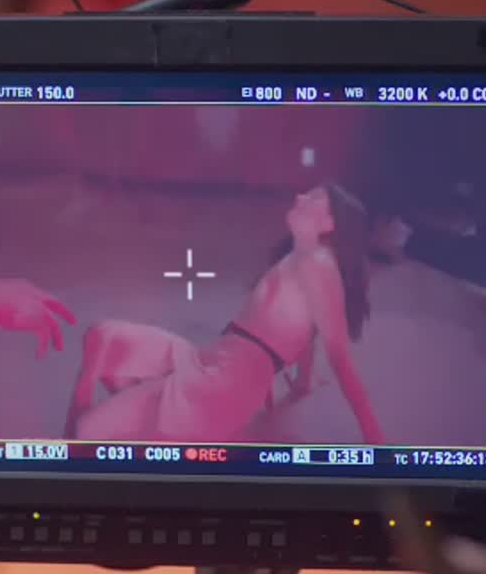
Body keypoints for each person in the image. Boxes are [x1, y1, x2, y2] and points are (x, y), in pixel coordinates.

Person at [64, 182, 385, 444]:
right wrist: (302, 382)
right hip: (209, 358)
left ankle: (125, 421)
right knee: (101, 335)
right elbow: (310, 328)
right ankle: (130, 415)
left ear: (330, 225)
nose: (300, 197)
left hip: (226, 383)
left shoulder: (319, 265)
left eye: (314, 199)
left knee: (89, 429)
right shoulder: (298, 257)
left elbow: (341, 359)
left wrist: (375, 438)